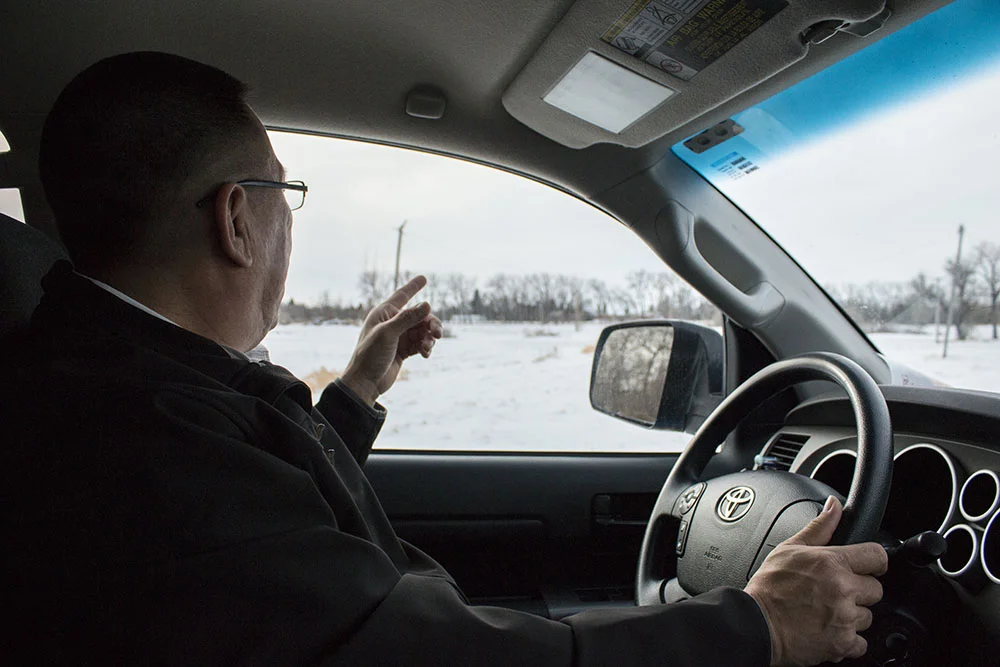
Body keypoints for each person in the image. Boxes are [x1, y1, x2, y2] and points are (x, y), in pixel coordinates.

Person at [1, 52, 887, 666]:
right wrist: (757, 628)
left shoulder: (132, 388)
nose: (286, 224)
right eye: (284, 193)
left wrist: (354, 391)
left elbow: (276, 543)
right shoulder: (137, 440)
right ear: (236, 217)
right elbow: (412, 652)